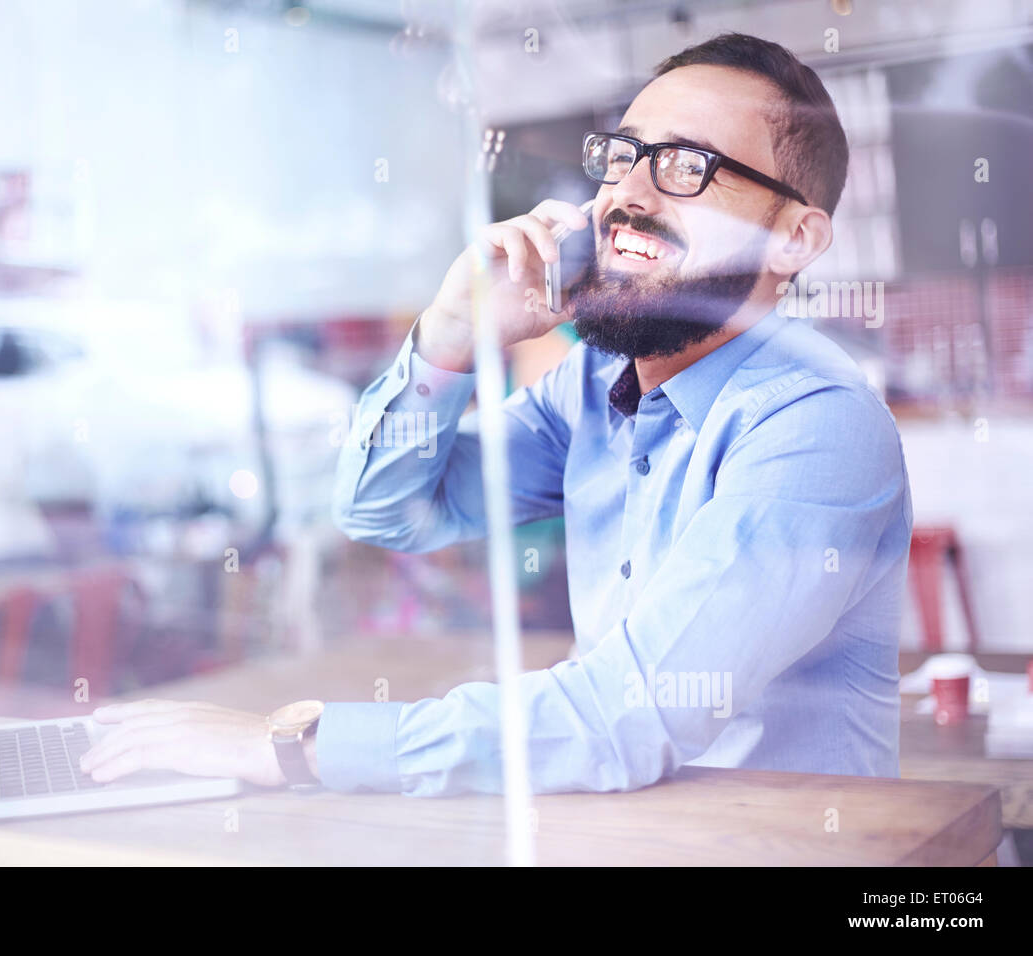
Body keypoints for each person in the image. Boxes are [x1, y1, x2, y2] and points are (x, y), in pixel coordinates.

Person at [80, 33, 912, 796]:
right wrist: (448, 341)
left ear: (796, 241)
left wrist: (286, 746)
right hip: (627, 835)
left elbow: (626, 715)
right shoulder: (593, 386)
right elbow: (385, 508)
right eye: (624, 156)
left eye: (687, 164)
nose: (627, 194)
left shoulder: (817, 426)